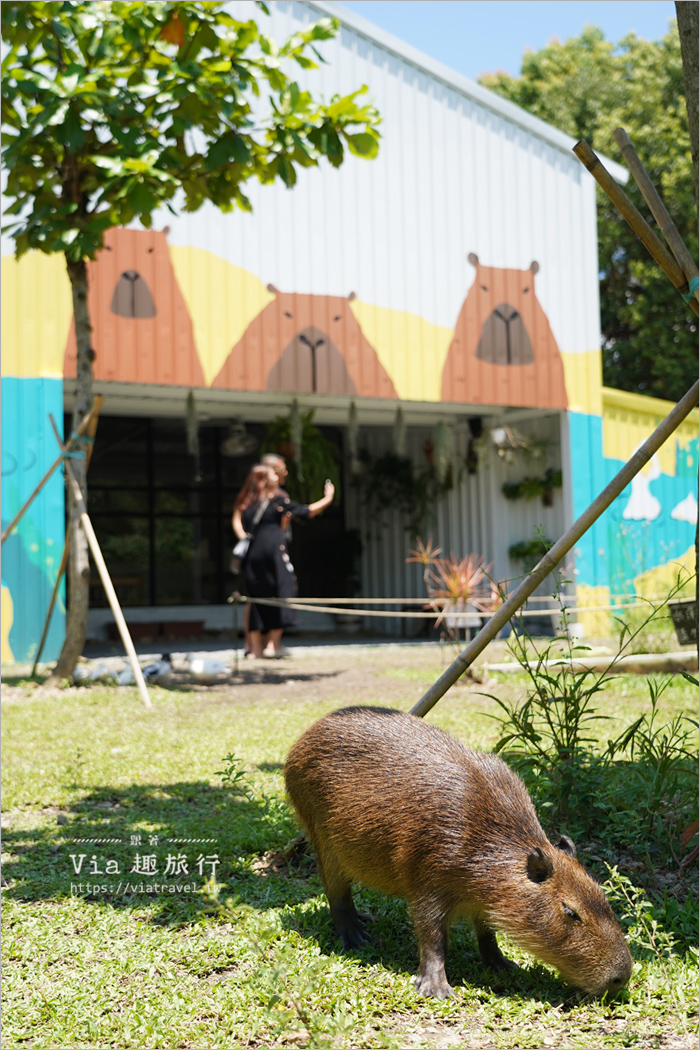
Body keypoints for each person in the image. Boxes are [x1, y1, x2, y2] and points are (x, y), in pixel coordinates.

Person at [232, 464, 334, 658]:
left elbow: (236, 517)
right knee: (283, 593)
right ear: (262, 479)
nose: (277, 476)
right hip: (272, 553)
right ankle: (273, 644)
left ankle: (255, 650)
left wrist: (242, 538)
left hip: (252, 555)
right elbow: (305, 511)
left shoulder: (247, 502)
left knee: (255, 600)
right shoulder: (276, 500)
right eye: (273, 473)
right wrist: (328, 499)